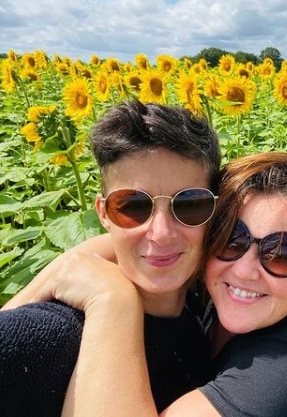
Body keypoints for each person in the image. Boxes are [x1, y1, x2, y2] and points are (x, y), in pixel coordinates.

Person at [12, 151, 287, 416]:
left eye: (282, 253)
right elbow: (142, 243)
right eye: (232, 238)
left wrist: (111, 300)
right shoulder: (210, 296)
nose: (247, 270)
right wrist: (62, 270)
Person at [0, 99, 221, 415]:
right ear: (103, 213)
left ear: (215, 210)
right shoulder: (46, 335)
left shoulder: (209, 306)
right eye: (132, 206)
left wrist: (66, 265)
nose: (161, 233)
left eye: (188, 205)